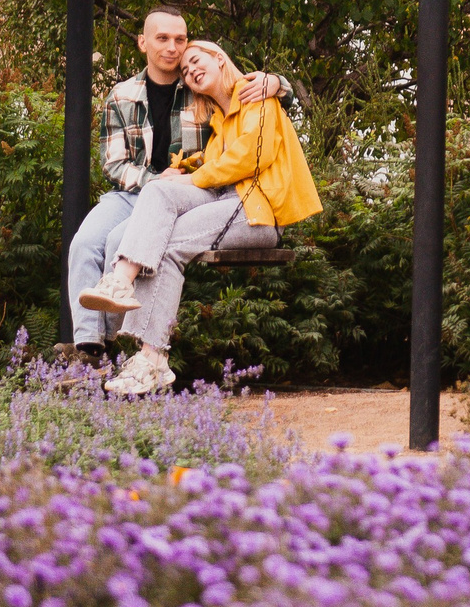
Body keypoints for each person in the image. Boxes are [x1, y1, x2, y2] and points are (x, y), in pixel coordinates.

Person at [77, 40, 323, 395]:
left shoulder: (257, 98)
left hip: (255, 212)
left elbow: (251, 157)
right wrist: (187, 169)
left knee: (166, 246)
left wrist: (196, 177)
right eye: (186, 71)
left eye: (196, 61)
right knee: (158, 191)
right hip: (227, 204)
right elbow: (214, 164)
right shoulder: (219, 120)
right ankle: (125, 294)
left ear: (220, 59)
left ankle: (151, 358)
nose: (191, 70)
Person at [63, 8, 286, 362]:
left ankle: (112, 341)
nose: (172, 47)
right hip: (131, 192)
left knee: (119, 241)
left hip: (189, 195)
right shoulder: (121, 96)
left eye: (179, 39)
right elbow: (113, 163)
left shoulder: (198, 85)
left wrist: (276, 82)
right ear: (143, 43)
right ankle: (89, 342)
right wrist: (154, 178)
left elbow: (239, 86)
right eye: (162, 38)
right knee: (85, 243)